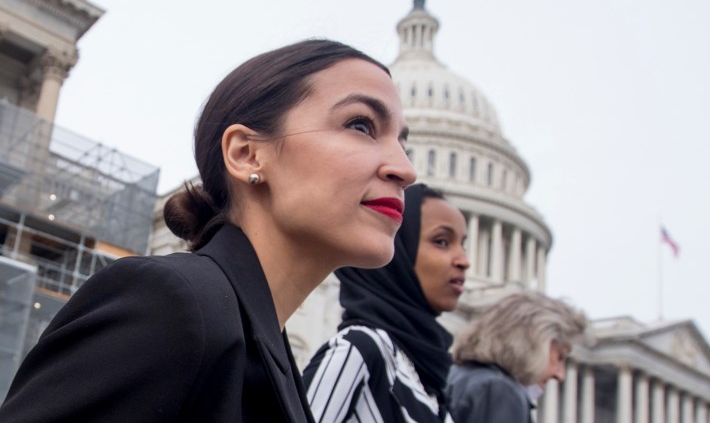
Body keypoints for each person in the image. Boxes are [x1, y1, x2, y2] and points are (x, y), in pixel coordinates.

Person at [0, 39, 416, 422]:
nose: (405, 170)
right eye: (361, 125)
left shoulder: (262, 346)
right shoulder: (170, 302)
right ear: (247, 154)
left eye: (403, 143)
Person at [303, 183, 469, 423]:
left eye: (463, 244)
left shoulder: (429, 383)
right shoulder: (358, 350)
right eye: (441, 241)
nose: (464, 261)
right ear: (399, 251)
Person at [445, 291, 589, 423]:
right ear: (534, 343)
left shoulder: (459, 376)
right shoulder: (499, 392)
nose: (560, 374)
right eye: (560, 357)